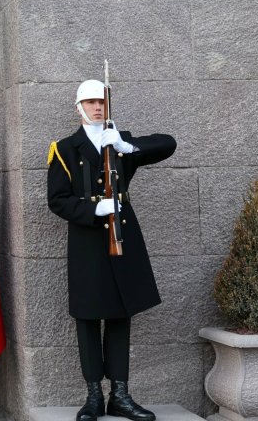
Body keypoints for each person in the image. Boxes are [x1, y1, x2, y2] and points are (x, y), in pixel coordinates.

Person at [46, 79, 176, 421]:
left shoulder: (118, 141)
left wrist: (125, 146)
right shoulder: (64, 149)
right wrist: (92, 211)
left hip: (122, 241)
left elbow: (168, 144)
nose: (97, 107)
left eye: (101, 102)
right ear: (78, 108)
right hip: (88, 244)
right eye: (89, 102)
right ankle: (93, 396)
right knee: (88, 318)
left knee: (120, 315)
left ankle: (120, 394)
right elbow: (57, 200)